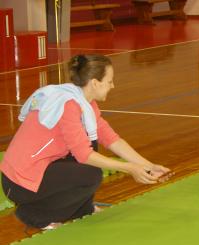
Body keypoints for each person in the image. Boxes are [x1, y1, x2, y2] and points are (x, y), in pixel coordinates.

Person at [0, 54, 172, 230]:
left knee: (92, 145)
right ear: (95, 83)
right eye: (109, 81)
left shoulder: (84, 103)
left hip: (40, 170)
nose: (113, 85)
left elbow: (112, 139)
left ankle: (82, 209)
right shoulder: (68, 105)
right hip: (19, 183)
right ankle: (35, 215)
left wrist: (148, 165)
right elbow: (84, 155)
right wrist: (130, 168)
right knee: (91, 173)